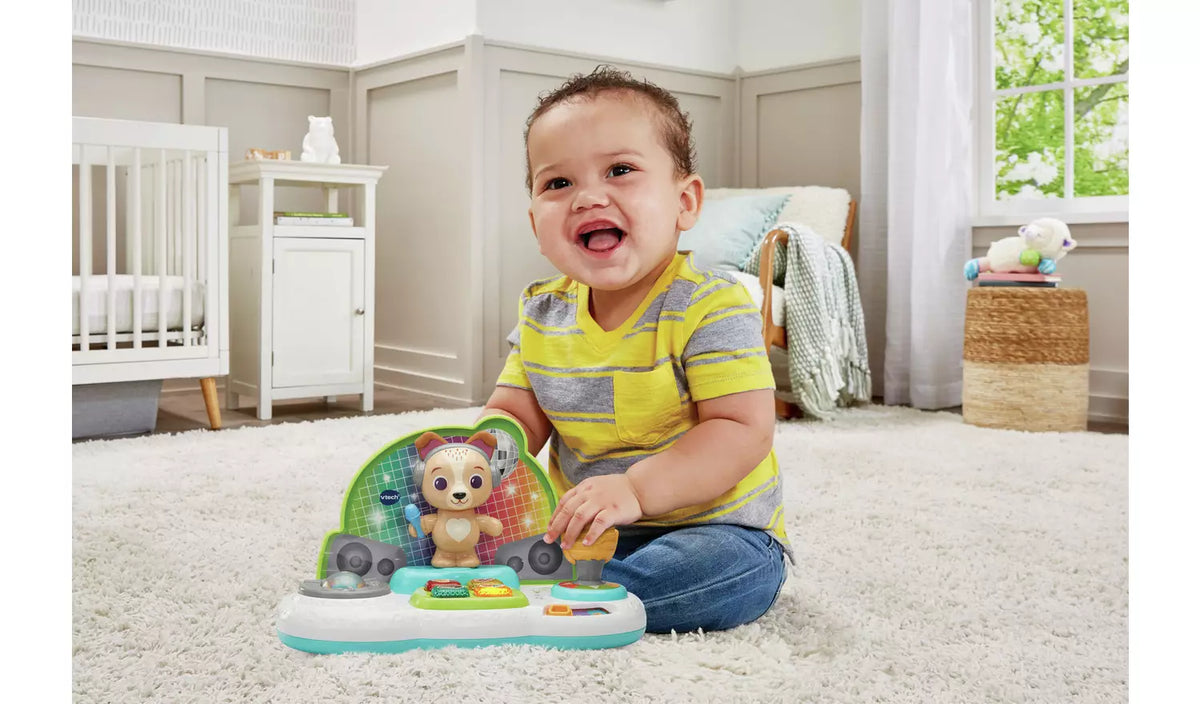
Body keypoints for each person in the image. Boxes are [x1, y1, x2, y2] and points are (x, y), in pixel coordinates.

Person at [481, 65, 790, 633]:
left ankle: (574, 595)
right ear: (534, 222)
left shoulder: (711, 305)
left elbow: (742, 430)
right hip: (585, 527)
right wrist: (479, 459)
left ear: (685, 202)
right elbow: (514, 415)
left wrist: (636, 489)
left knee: (724, 575)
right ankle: (567, 583)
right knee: (483, 536)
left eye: (620, 171)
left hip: (714, 525)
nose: (587, 197)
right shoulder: (540, 312)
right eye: (558, 184)